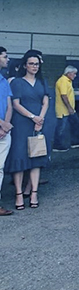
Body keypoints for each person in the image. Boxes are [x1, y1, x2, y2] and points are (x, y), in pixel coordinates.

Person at [5, 52, 49, 210]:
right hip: (22, 123)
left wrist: (40, 118)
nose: (34, 66)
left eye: (36, 64)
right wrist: (33, 117)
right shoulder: (17, 82)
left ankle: (34, 193)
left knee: (36, 157)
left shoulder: (42, 81)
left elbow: (45, 101)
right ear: (24, 65)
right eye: (31, 63)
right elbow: (15, 104)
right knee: (19, 156)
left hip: (38, 123)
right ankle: (18, 194)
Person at [53, 65, 79, 152]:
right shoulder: (63, 81)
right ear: (69, 73)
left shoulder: (67, 81)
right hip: (64, 110)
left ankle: (74, 142)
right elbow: (64, 96)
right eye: (74, 74)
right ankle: (57, 145)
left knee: (74, 124)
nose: (75, 76)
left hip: (68, 110)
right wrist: (70, 108)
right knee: (61, 128)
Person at [0, 48, 13, 216]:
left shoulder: (3, 80)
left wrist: (6, 125)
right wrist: (2, 124)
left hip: (4, 131)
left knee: (0, 168)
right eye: (5, 56)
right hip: (3, 128)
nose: (8, 59)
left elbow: (9, 104)